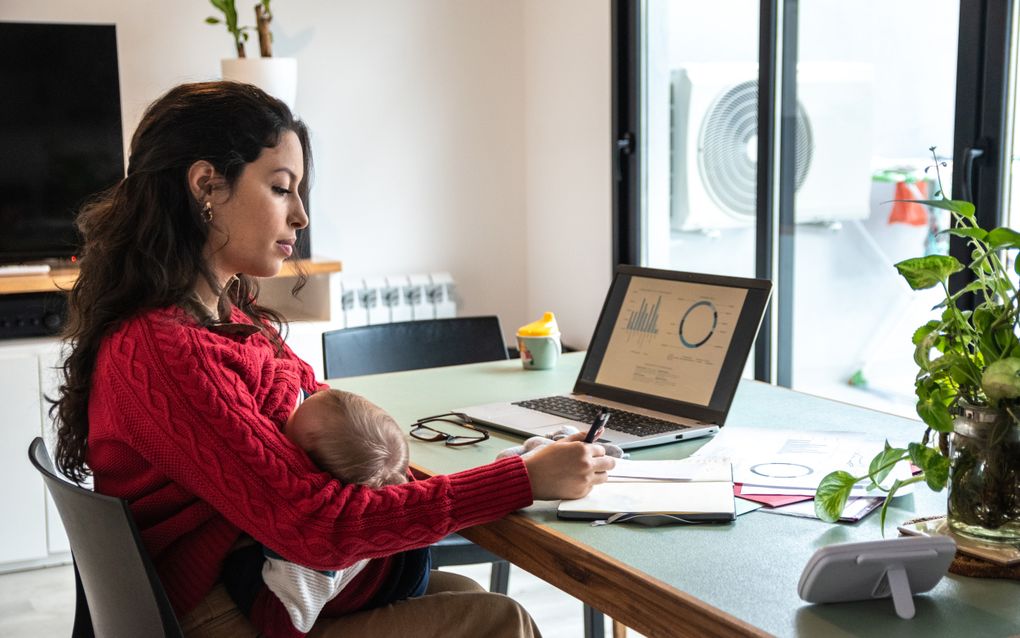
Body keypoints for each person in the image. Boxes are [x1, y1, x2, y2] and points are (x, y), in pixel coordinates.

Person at [52, 81, 615, 638]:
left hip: (247, 577)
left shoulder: (225, 320)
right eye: (280, 188)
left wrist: (510, 467)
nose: (301, 216)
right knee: (497, 619)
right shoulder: (165, 350)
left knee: (469, 598)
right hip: (215, 611)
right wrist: (517, 480)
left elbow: (316, 439)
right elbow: (316, 523)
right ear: (206, 186)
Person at [223, 389, 428, 638]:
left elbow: (285, 624)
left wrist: (241, 571)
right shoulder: (366, 472)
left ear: (316, 477)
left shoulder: (316, 542)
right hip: (395, 552)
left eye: (285, 434)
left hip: (393, 581)